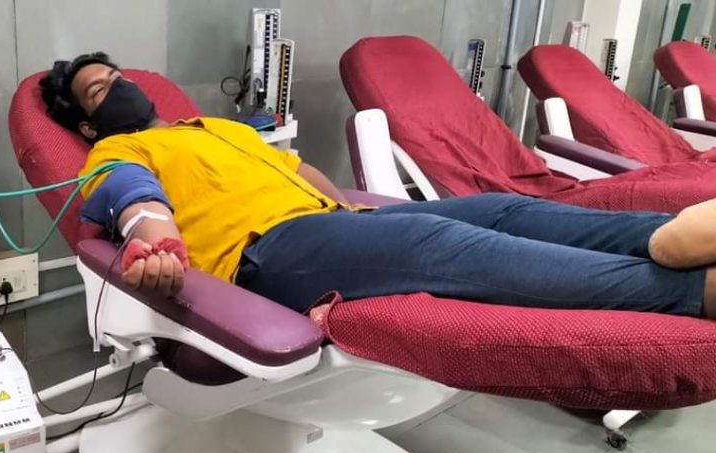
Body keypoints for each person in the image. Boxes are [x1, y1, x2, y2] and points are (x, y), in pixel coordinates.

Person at [39, 52, 716, 319]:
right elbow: (135, 198)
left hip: (333, 223)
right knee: (438, 241)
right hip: (264, 253)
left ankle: (666, 234)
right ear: (89, 122)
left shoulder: (216, 127)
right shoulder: (115, 149)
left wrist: (360, 216)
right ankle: (692, 291)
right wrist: (159, 246)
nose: (118, 86)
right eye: (99, 90)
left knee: (500, 209)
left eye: (117, 76)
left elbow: (304, 175)